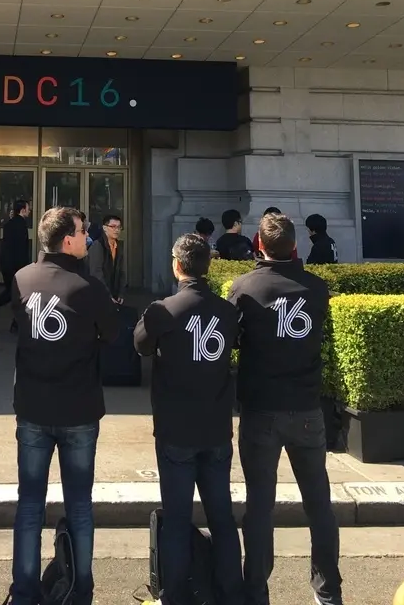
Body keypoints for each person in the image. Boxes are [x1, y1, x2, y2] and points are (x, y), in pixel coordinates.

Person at [228, 212, 342, 605]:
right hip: (307, 409)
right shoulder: (317, 288)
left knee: (259, 505)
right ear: (295, 246)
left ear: (259, 245)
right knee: (319, 504)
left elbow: (232, 340)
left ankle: (256, 591)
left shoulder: (244, 287)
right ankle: (328, 591)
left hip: (260, 409)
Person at [9, 206, 119, 605]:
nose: (87, 237)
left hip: (33, 406)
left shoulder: (22, 278)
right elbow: (111, 332)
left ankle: (23, 591)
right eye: (82, 231)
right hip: (78, 408)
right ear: (66, 240)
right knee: (79, 505)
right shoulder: (88, 287)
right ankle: (80, 591)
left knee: (29, 504)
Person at [135, 233, 244, 605]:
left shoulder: (162, 310)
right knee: (223, 518)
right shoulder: (228, 312)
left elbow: (140, 344)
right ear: (207, 266)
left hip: (176, 429)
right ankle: (232, 593)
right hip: (215, 428)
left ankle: (175, 596)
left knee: (178, 521)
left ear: (177, 265)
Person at [0, 199, 30, 329]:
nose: (29, 210)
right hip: (16, 266)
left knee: (12, 294)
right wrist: (24, 267)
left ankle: (14, 322)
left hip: (7, 264)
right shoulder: (21, 225)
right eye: (28, 208)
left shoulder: (9, 224)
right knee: (15, 294)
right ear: (22, 210)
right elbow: (21, 249)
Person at [87, 213, 124, 302]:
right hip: (99, 295)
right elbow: (96, 273)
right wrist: (108, 296)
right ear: (104, 228)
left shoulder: (118, 246)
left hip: (113, 294)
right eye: (113, 226)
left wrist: (121, 293)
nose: (117, 230)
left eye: (119, 227)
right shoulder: (98, 245)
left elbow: (121, 272)